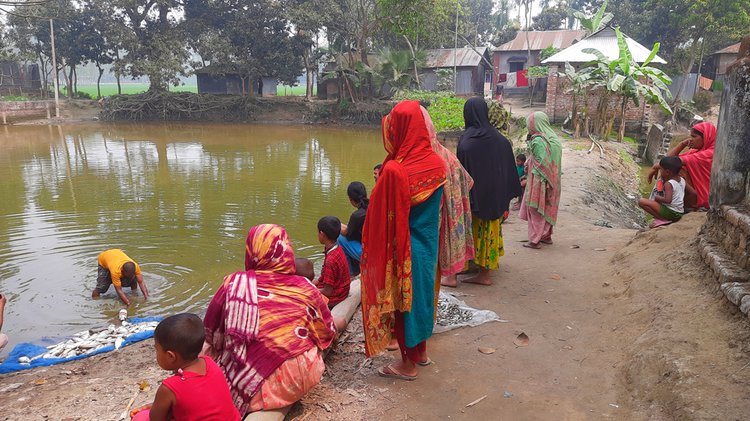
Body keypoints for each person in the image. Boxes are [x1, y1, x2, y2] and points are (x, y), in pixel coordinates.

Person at [203, 224, 336, 416]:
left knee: (224, 355)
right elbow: (326, 331)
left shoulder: (234, 283)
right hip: (302, 376)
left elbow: (212, 335)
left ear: (251, 251)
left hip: (261, 382)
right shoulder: (305, 286)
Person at [361, 100, 446, 380]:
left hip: (404, 248)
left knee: (403, 303)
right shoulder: (436, 162)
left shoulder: (396, 171)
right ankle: (421, 353)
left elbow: (379, 214)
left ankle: (406, 365)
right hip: (428, 245)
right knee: (422, 298)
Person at [457, 97, 521, 284]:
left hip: (473, 198)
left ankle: (480, 274)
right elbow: (509, 172)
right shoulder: (501, 141)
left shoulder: (466, 142)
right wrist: (505, 200)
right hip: (494, 198)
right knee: (489, 232)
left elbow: (461, 175)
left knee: (471, 231)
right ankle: (484, 270)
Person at [130, 313, 240, 421]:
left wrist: (157, 407)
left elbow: (155, 418)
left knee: (140, 417)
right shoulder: (210, 363)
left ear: (170, 356)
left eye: (157, 350)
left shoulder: (169, 388)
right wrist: (158, 405)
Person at [419, 106, 475, 289]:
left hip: (438, 216)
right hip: (453, 208)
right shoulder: (445, 153)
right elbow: (468, 181)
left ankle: (448, 278)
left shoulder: (425, 158)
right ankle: (451, 275)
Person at [647, 122, 717, 210]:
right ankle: (662, 201)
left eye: (694, 136)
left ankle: (677, 206)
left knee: (675, 170)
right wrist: (682, 144)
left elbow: (670, 162)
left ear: (706, 138)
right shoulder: (695, 151)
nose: (690, 139)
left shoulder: (710, 153)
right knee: (668, 169)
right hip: (695, 192)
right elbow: (668, 159)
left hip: (702, 196)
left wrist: (656, 166)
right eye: (690, 136)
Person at [518, 111, 563, 249]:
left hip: (540, 180)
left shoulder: (538, 140)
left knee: (535, 208)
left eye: (530, 124)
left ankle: (535, 239)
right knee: (548, 207)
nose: (529, 127)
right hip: (554, 180)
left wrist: (528, 176)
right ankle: (546, 236)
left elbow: (540, 162)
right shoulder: (553, 139)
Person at [639, 156, 690, 227]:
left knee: (641, 201)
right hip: (679, 212)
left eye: (661, 170)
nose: (660, 172)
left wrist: (657, 197)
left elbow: (668, 200)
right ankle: (664, 218)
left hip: (672, 213)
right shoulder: (682, 180)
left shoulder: (668, 184)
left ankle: (662, 219)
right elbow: (693, 193)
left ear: (667, 172)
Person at [315, 216, 351, 307]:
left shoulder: (330, 261)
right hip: (342, 290)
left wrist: (309, 290)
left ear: (322, 234)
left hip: (336, 297)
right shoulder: (337, 248)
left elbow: (327, 292)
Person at [337, 181, 368, 276]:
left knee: (339, 239)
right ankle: (356, 270)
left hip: (368, 254)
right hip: (379, 249)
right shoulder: (373, 205)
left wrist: (336, 225)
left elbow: (346, 232)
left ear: (351, 199)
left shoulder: (357, 215)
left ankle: (349, 273)